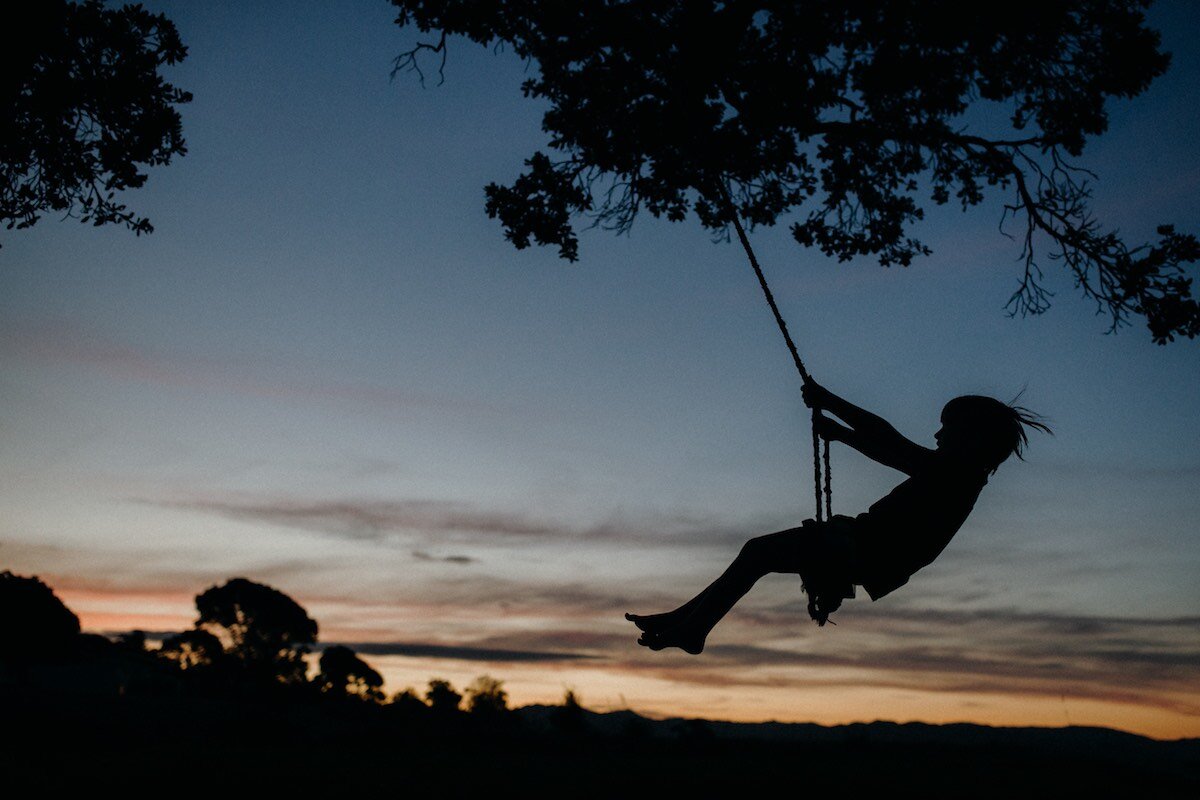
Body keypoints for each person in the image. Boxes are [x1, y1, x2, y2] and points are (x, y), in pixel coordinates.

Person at [626, 379, 1051, 654]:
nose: (938, 435)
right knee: (757, 554)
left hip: (867, 549)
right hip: (866, 547)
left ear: (973, 437)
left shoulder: (959, 473)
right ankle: (687, 622)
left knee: (757, 553)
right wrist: (840, 432)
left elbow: (891, 443)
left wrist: (832, 405)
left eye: (948, 429)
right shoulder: (956, 473)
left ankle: (692, 627)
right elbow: (892, 450)